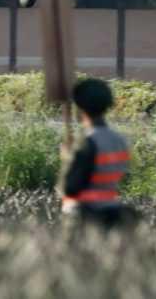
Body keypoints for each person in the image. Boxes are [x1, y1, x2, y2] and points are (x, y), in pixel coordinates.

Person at [60, 78, 134, 228]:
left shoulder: (86, 143)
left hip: (85, 216)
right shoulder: (120, 140)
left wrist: (68, 159)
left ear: (80, 108)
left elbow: (71, 187)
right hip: (112, 212)